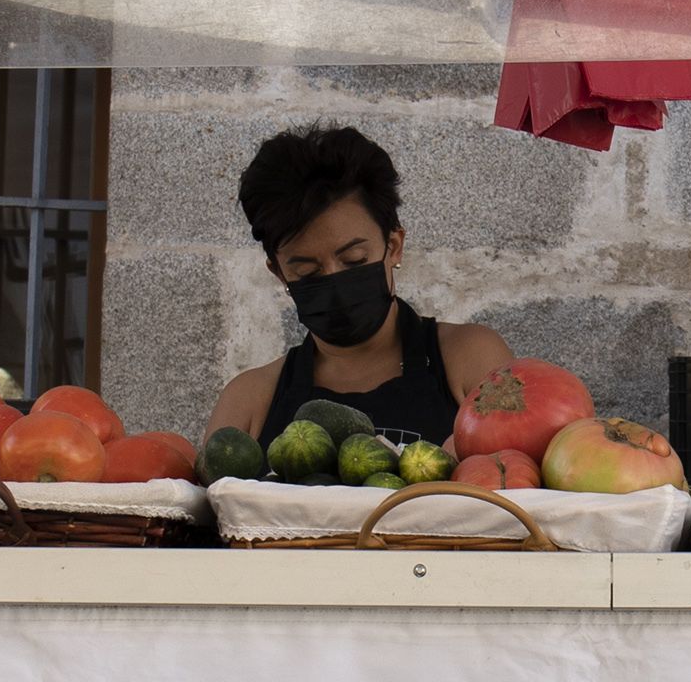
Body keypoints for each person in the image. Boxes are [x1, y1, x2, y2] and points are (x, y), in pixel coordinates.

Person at [207, 125, 511, 448]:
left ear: (394, 246)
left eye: (353, 260)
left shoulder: (472, 361)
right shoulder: (249, 403)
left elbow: (521, 478)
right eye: (308, 271)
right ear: (280, 273)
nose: (334, 281)